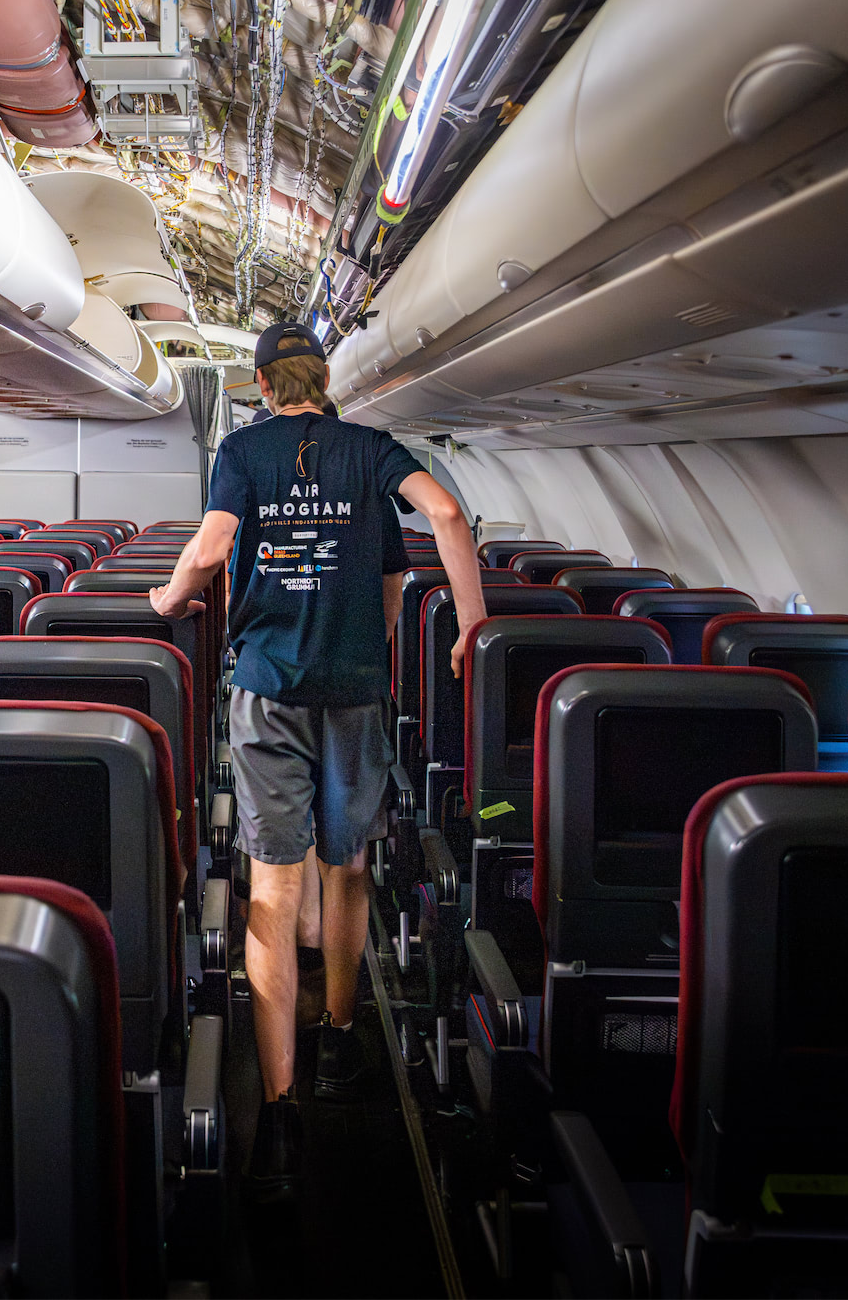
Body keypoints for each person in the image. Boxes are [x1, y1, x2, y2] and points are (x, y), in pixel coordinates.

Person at [150, 322, 486, 1203]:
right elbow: (441, 523)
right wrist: (472, 626)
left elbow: (213, 550)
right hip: (355, 690)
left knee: (271, 888)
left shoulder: (245, 452)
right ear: (324, 380)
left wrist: (169, 597)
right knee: (349, 867)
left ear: (264, 386)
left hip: (270, 688)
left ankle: (279, 1115)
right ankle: (340, 1038)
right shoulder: (371, 451)